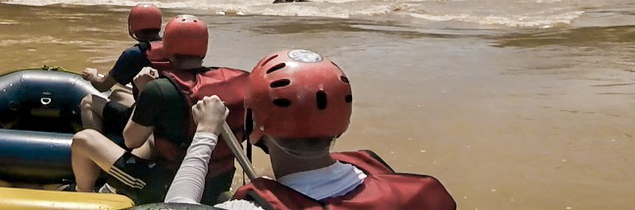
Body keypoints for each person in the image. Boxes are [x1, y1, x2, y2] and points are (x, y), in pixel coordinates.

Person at [164, 49, 457, 209]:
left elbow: (176, 207)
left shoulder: (250, 209)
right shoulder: (376, 168)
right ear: (341, 123)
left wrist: (206, 131)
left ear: (254, 125)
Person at [70, 14, 250, 205]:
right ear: (204, 49)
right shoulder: (238, 81)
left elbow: (131, 140)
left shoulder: (160, 88)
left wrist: (143, 89)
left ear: (167, 48)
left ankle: (83, 194)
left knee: (83, 139)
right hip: (217, 182)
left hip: (163, 185)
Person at [79, 3, 170, 136]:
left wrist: (92, 76)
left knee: (88, 102)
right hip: (165, 113)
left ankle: (95, 145)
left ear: (131, 27)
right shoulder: (171, 49)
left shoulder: (134, 54)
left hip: (143, 120)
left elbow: (102, 86)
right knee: (117, 94)